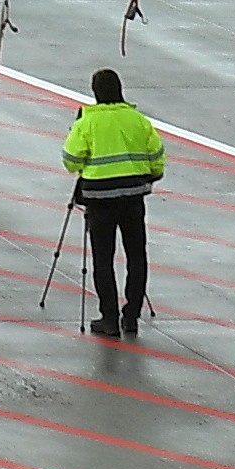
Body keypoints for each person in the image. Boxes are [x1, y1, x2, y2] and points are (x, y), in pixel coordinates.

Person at [65, 68, 166, 340]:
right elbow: (157, 157)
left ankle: (109, 318)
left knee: (103, 258)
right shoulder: (138, 120)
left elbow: (71, 161)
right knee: (136, 255)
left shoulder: (86, 123)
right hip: (133, 198)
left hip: (99, 200)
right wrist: (149, 176)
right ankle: (131, 316)